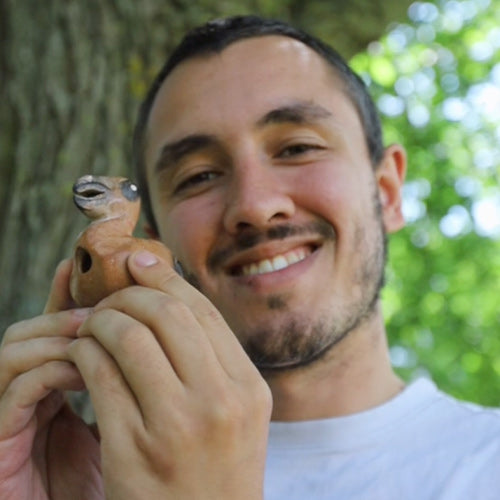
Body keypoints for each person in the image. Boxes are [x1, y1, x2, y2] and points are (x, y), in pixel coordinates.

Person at [1, 14, 499, 500]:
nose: (255, 207)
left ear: (387, 191)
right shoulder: (73, 473)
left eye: (298, 147)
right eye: (197, 177)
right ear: (151, 242)